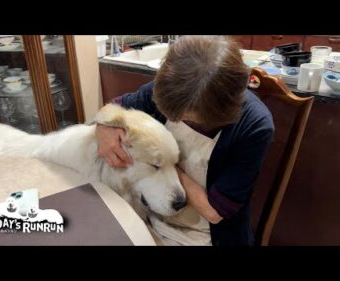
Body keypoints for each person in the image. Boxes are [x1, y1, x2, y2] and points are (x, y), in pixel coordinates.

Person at [95, 35, 274, 246]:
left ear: (219, 113)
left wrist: (162, 163)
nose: (179, 121)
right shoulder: (173, 90)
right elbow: (115, 109)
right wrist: (103, 127)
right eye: (173, 115)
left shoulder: (254, 126)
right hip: (150, 216)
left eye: (189, 118)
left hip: (208, 235)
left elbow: (215, 212)